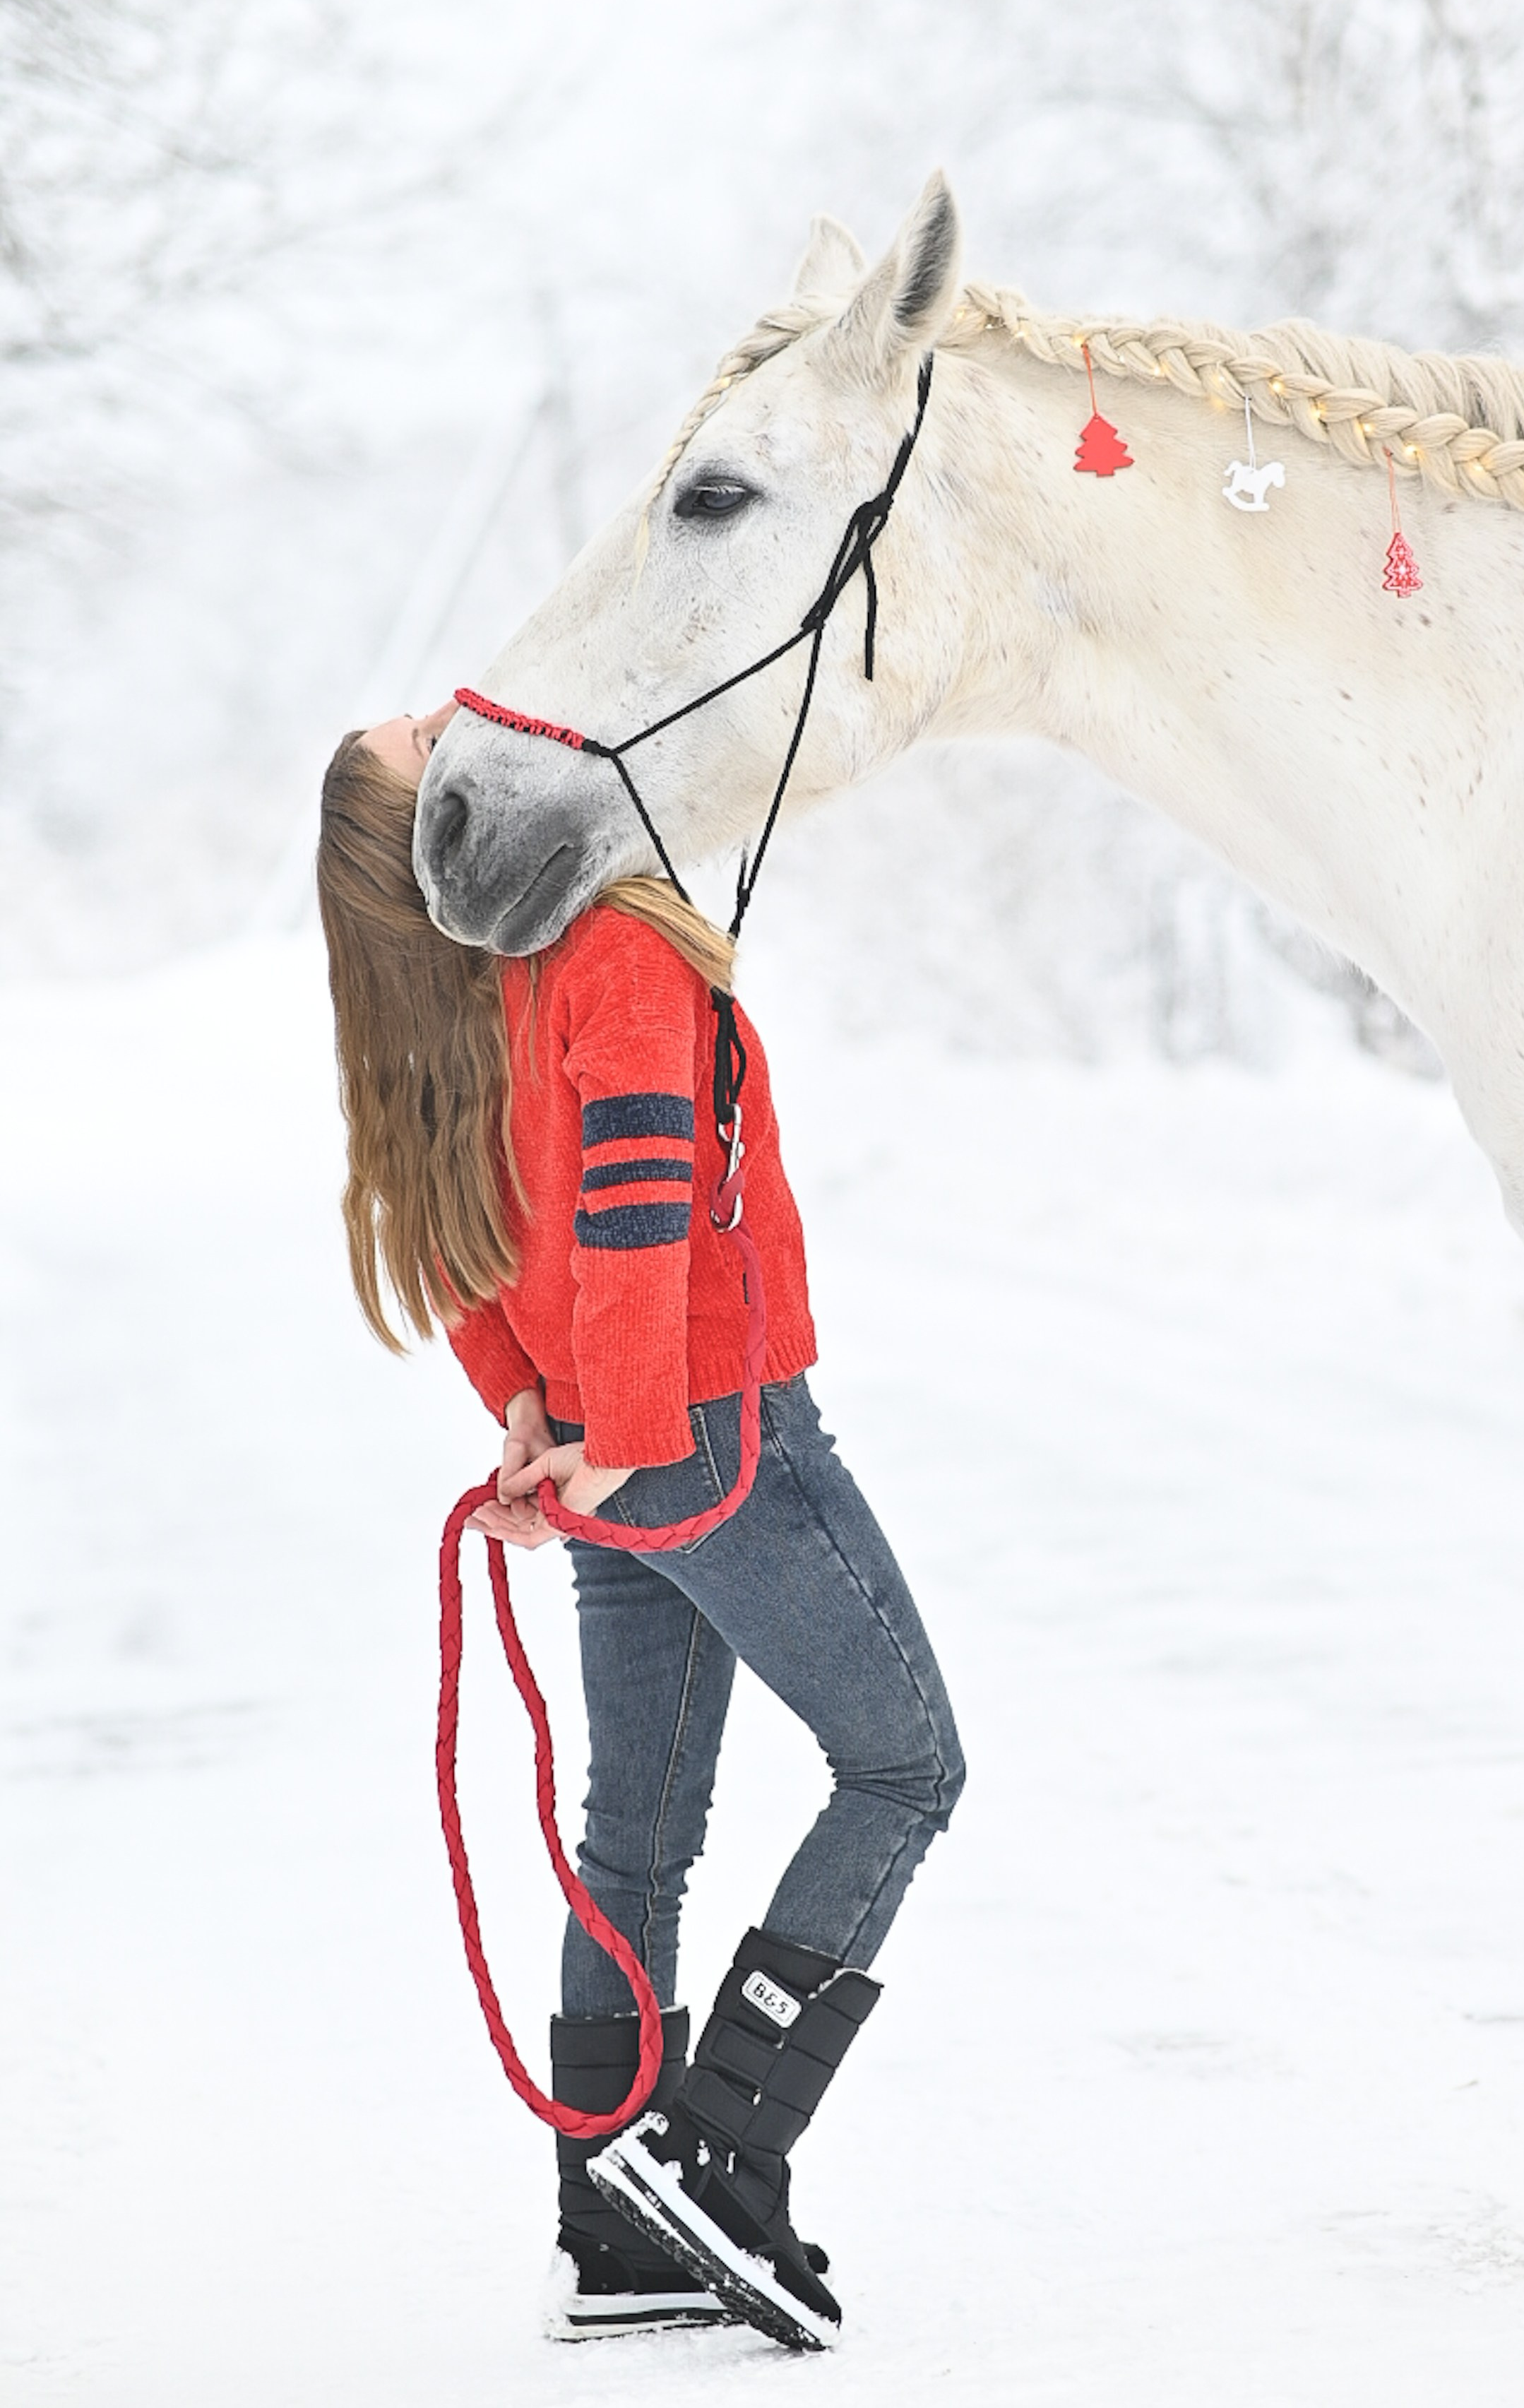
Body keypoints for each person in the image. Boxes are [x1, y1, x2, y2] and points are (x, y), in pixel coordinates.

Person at [316, 703, 965, 2353]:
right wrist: (623, 1427)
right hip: (710, 1433)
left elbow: (454, 1213)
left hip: (623, 1456)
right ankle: (720, 2153)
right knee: (906, 1764)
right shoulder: (594, 940)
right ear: (444, 836)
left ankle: (614, 2226)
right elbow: (638, 1196)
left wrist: (534, 1413)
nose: (468, 723)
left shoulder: (463, 999)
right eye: (430, 747)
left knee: (639, 1835)